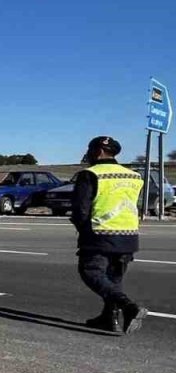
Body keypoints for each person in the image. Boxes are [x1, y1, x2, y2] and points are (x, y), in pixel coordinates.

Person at [72, 135, 148, 334]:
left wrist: (84, 233)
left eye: (89, 150)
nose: (87, 155)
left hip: (100, 234)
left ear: (97, 151)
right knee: (114, 279)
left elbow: (80, 210)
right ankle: (109, 318)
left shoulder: (89, 174)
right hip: (129, 236)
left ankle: (129, 307)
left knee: (91, 272)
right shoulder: (133, 175)